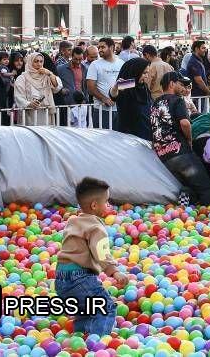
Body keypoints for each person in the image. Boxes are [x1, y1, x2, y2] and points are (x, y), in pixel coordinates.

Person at [54, 177, 129, 336]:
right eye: (106, 201)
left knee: (86, 310)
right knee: (106, 307)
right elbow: (101, 253)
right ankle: (97, 344)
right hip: (79, 278)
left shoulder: (73, 221)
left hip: (61, 279)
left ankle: (81, 339)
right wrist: (114, 272)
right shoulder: (96, 227)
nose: (109, 205)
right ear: (94, 205)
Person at [150, 72, 210, 206]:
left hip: (163, 155)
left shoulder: (154, 104)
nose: (183, 88)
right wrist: (189, 139)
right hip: (180, 152)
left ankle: (186, 204)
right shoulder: (177, 100)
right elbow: (185, 123)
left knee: (189, 183)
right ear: (172, 84)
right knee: (207, 187)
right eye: (180, 84)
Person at [14, 52, 62, 125]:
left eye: (41, 61)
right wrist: (29, 104)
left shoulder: (46, 76)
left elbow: (57, 87)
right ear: (30, 62)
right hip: (30, 113)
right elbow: (18, 96)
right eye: (36, 61)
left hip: (46, 113)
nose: (39, 64)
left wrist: (50, 73)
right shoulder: (22, 78)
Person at [86, 37, 124, 128]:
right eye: (99, 47)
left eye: (103, 47)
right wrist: (104, 99)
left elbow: (126, 84)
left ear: (111, 48)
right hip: (101, 110)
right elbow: (90, 88)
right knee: (101, 136)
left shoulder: (122, 63)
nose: (100, 50)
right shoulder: (95, 64)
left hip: (119, 110)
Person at [110, 58, 152, 140]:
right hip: (128, 136)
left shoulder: (143, 86)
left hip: (145, 133)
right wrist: (116, 87)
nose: (146, 76)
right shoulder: (128, 84)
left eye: (147, 73)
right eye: (144, 73)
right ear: (136, 71)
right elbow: (113, 95)